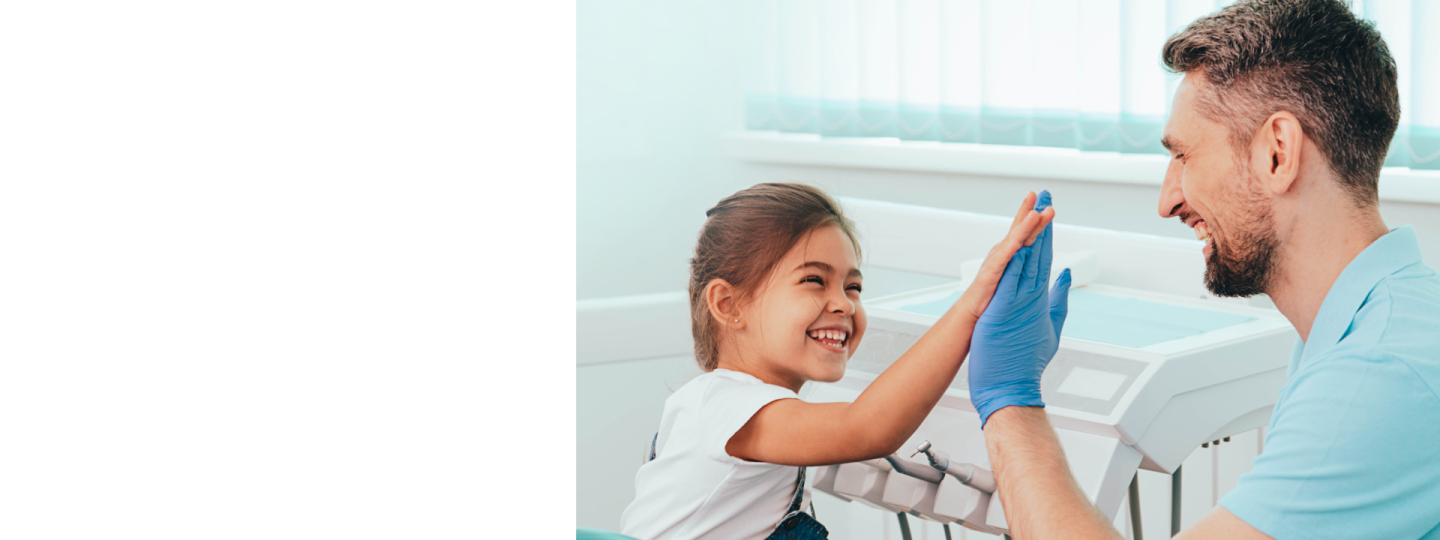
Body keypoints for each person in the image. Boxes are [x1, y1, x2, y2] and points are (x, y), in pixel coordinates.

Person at [966, 0, 1440, 538]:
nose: (1167, 201)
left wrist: (1010, 402)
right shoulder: (1375, 327)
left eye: (1184, 156)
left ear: (1277, 154)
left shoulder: (1379, 373)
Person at [619, 183, 1063, 540]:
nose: (844, 304)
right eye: (814, 280)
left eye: (854, 287)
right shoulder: (723, 405)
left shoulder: (750, 410)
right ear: (728, 303)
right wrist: (974, 304)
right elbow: (865, 428)